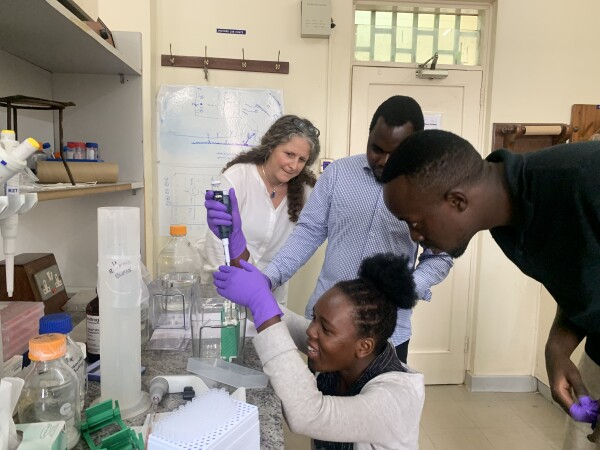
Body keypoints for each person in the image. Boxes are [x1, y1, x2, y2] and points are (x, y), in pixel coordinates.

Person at [381, 129, 600, 448]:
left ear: (457, 200)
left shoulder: (585, 178)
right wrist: (558, 346)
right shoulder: (509, 223)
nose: (414, 236)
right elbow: (582, 275)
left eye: (414, 223)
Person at [261, 95, 453, 362]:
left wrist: (407, 288)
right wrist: (268, 278)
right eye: (377, 149)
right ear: (369, 136)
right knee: (316, 392)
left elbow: (440, 257)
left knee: (382, 391)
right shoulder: (338, 174)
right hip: (327, 327)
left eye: (396, 153)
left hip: (389, 333)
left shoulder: (432, 191)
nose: (384, 161)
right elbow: (308, 232)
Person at [213, 252, 425, 450]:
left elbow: (308, 414)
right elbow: (280, 318)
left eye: (325, 328)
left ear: (364, 346)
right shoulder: (344, 352)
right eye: (314, 318)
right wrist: (237, 250)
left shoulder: (395, 400)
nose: (311, 331)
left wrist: (261, 301)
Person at [202, 114, 320, 306]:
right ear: (271, 146)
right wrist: (243, 287)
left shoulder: (306, 192)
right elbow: (217, 245)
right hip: (226, 289)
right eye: (289, 154)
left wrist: (263, 288)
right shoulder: (237, 178)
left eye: (302, 160)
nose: (293, 166)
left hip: (270, 294)